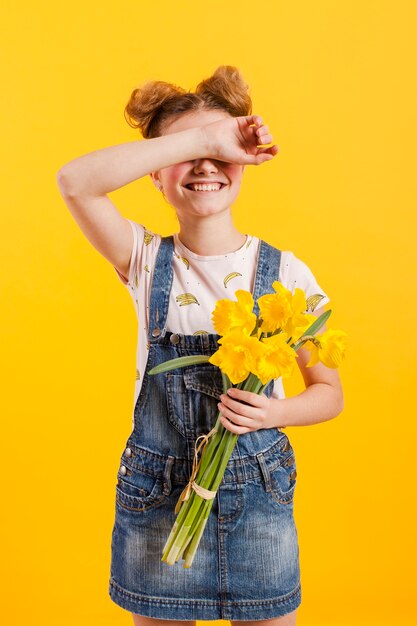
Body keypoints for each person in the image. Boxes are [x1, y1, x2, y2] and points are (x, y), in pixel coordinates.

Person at [56, 65, 344, 626]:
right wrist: (206, 137)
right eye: (184, 154)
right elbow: (75, 181)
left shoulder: (286, 274)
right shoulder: (144, 261)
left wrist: (276, 412)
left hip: (259, 501)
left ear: (244, 167)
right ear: (155, 177)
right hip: (160, 501)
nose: (207, 165)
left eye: (223, 150)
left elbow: (329, 393)